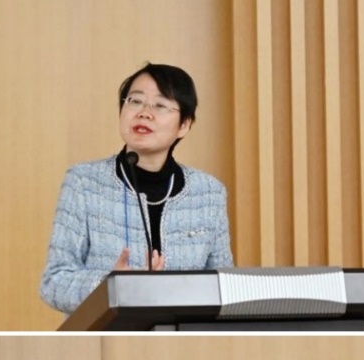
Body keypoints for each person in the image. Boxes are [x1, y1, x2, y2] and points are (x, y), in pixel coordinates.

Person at [40, 63, 233, 314]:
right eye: (135, 101)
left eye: (160, 105)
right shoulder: (84, 183)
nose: (144, 113)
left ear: (184, 125)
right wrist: (111, 287)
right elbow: (54, 282)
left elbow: (222, 288)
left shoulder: (209, 193)